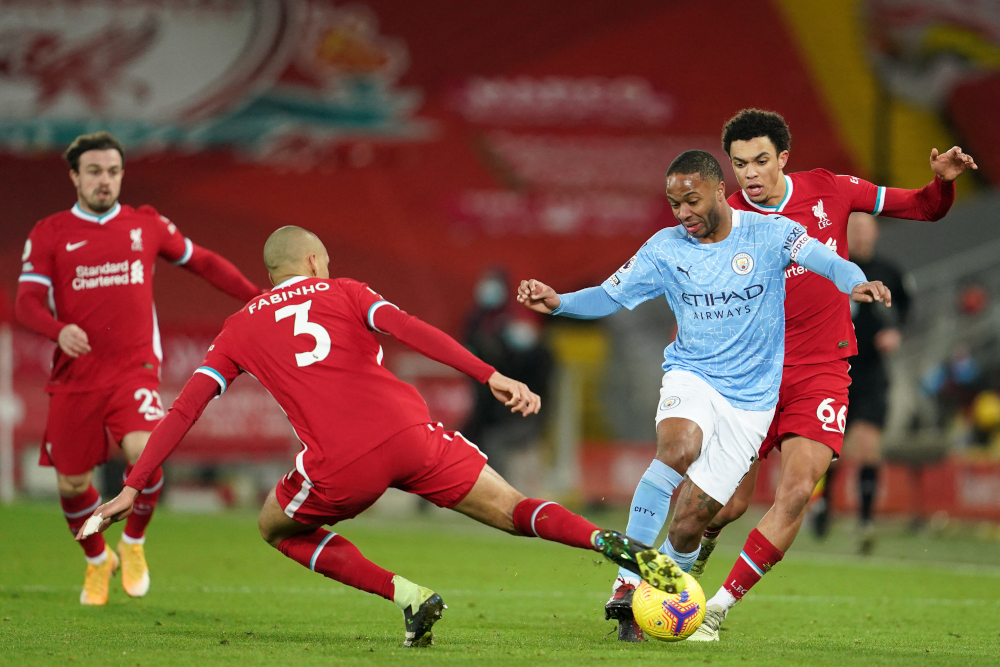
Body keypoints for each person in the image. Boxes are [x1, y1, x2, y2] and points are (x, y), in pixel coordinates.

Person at [81, 226, 683, 648]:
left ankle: (407, 594)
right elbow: (414, 331)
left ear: (272, 274)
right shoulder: (345, 290)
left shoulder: (240, 327)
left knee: (274, 526)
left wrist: (135, 485)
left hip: (341, 463)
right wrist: (492, 374)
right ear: (315, 261)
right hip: (411, 431)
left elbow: (187, 407)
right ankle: (606, 541)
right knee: (512, 508)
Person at [516, 149, 890, 642]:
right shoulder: (665, 249)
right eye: (674, 205)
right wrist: (560, 303)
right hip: (692, 375)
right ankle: (627, 583)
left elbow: (822, 258)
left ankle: (661, 600)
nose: (684, 213)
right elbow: (611, 294)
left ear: (719, 190)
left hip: (751, 402)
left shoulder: (768, 233)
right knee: (677, 448)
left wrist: (855, 281)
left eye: (691, 200)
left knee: (691, 520)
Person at [676, 109, 975, 641]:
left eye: (761, 161)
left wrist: (942, 183)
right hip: (749, 377)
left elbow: (923, 208)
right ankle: (686, 556)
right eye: (739, 163)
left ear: (783, 158)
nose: (750, 173)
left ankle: (717, 609)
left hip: (822, 371)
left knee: (795, 492)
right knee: (720, 508)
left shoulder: (830, 191)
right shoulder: (722, 220)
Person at [15, 131, 264, 606]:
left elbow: (204, 262)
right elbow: (25, 303)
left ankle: (131, 543)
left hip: (134, 370)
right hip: (75, 377)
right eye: (94, 171)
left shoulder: (146, 225)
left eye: (112, 171)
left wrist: (258, 297)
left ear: (121, 174)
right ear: (75, 176)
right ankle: (97, 561)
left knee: (146, 458)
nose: (104, 180)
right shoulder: (50, 232)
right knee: (71, 483)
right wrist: (56, 329)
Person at [813, 213, 911, 552]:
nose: (860, 236)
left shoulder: (890, 272)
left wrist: (895, 332)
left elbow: (906, 309)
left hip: (871, 373)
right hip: (835, 368)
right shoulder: (830, 266)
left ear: (876, 232)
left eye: (865, 229)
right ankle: (824, 503)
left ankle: (865, 521)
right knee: (831, 451)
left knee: (868, 446)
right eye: (853, 229)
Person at [463, 268, 552, 477]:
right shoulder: (476, 319)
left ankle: (505, 493)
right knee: (469, 440)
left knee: (498, 446)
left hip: (516, 405)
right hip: (487, 404)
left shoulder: (515, 317)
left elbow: (534, 363)